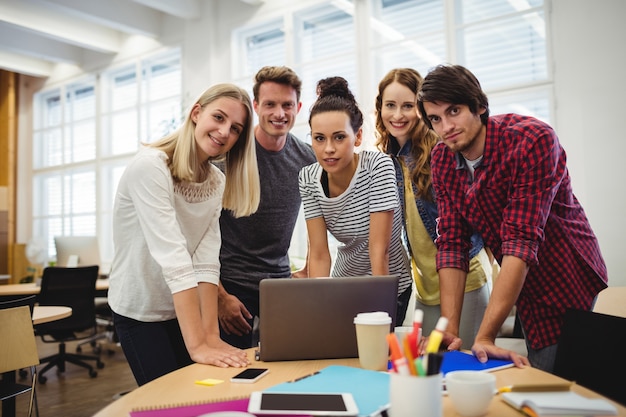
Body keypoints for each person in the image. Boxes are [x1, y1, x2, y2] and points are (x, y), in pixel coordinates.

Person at [417, 64, 608, 372]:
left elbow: (519, 241)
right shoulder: (442, 159)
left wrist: (486, 335)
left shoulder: (532, 140)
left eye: (454, 111)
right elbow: (452, 243)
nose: (446, 127)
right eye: (435, 119)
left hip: (567, 280)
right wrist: (449, 327)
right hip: (520, 283)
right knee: (533, 383)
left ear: (479, 106)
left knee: (564, 382)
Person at [108, 83, 260, 386]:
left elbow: (205, 262)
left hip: (179, 312)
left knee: (200, 390)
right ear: (196, 113)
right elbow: (174, 258)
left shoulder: (216, 181)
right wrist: (198, 345)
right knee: (168, 399)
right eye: (218, 118)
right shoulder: (151, 167)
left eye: (235, 129)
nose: (224, 132)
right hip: (140, 311)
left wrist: (210, 337)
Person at [375, 68, 493, 347]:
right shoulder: (389, 160)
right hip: (425, 288)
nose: (398, 115)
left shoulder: (442, 152)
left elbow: (472, 223)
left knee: (459, 369)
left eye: (407, 106)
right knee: (429, 372)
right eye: (390, 105)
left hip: (465, 285)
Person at [299, 76, 412, 325]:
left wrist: (383, 317)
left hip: (388, 283)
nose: (328, 148)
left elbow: (378, 251)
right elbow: (318, 254)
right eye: (319, 138)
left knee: (376, 357)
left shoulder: (378, 166)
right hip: (345, 284)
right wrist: (317, 307)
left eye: (339, 137)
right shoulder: (308, 178)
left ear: (358, 136)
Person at [218, 66, 316, 348]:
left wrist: (309, 268)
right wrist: (220, 297)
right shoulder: (230, 154)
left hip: (279, 284)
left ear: (297, 107)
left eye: (287, 105)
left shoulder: (307, 158)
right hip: (231, 284)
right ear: (256, 106)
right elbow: (198, 235)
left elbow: (318, 217)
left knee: (290, 363)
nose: (279, 113)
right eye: (270, 104)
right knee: (231, 373)